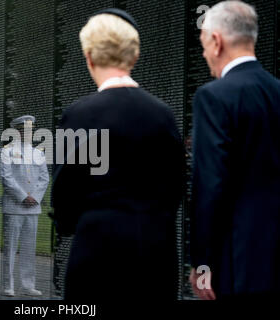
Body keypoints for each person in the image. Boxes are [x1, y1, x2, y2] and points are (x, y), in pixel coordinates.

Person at [51, 9, 184, 300]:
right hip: (156, 257)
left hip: (97, 254)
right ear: (133, 57)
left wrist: (69, 223)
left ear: (89, 56)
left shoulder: (79, 114)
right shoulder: (164, 116)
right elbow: (175, 189)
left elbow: (64, 193)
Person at [189, 0, 280, 300]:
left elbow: (210, 185)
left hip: (238, 259)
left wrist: (202, 264)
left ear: (216, 41)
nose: (203, 55)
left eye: (203, 46)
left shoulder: (214, 97)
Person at [0, 115, 49, 297]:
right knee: (10, 248)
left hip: (33, 207)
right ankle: (8, 285)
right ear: (17, 131)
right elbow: (6, 177)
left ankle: (28, 285)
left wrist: (35, 196)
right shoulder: (7, 151)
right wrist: (22, 197)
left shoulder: (38, 153)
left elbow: (44, 178)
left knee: (29, 247)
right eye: (24, 129)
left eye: (30, 129)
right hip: (14, 206)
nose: (28, 132)